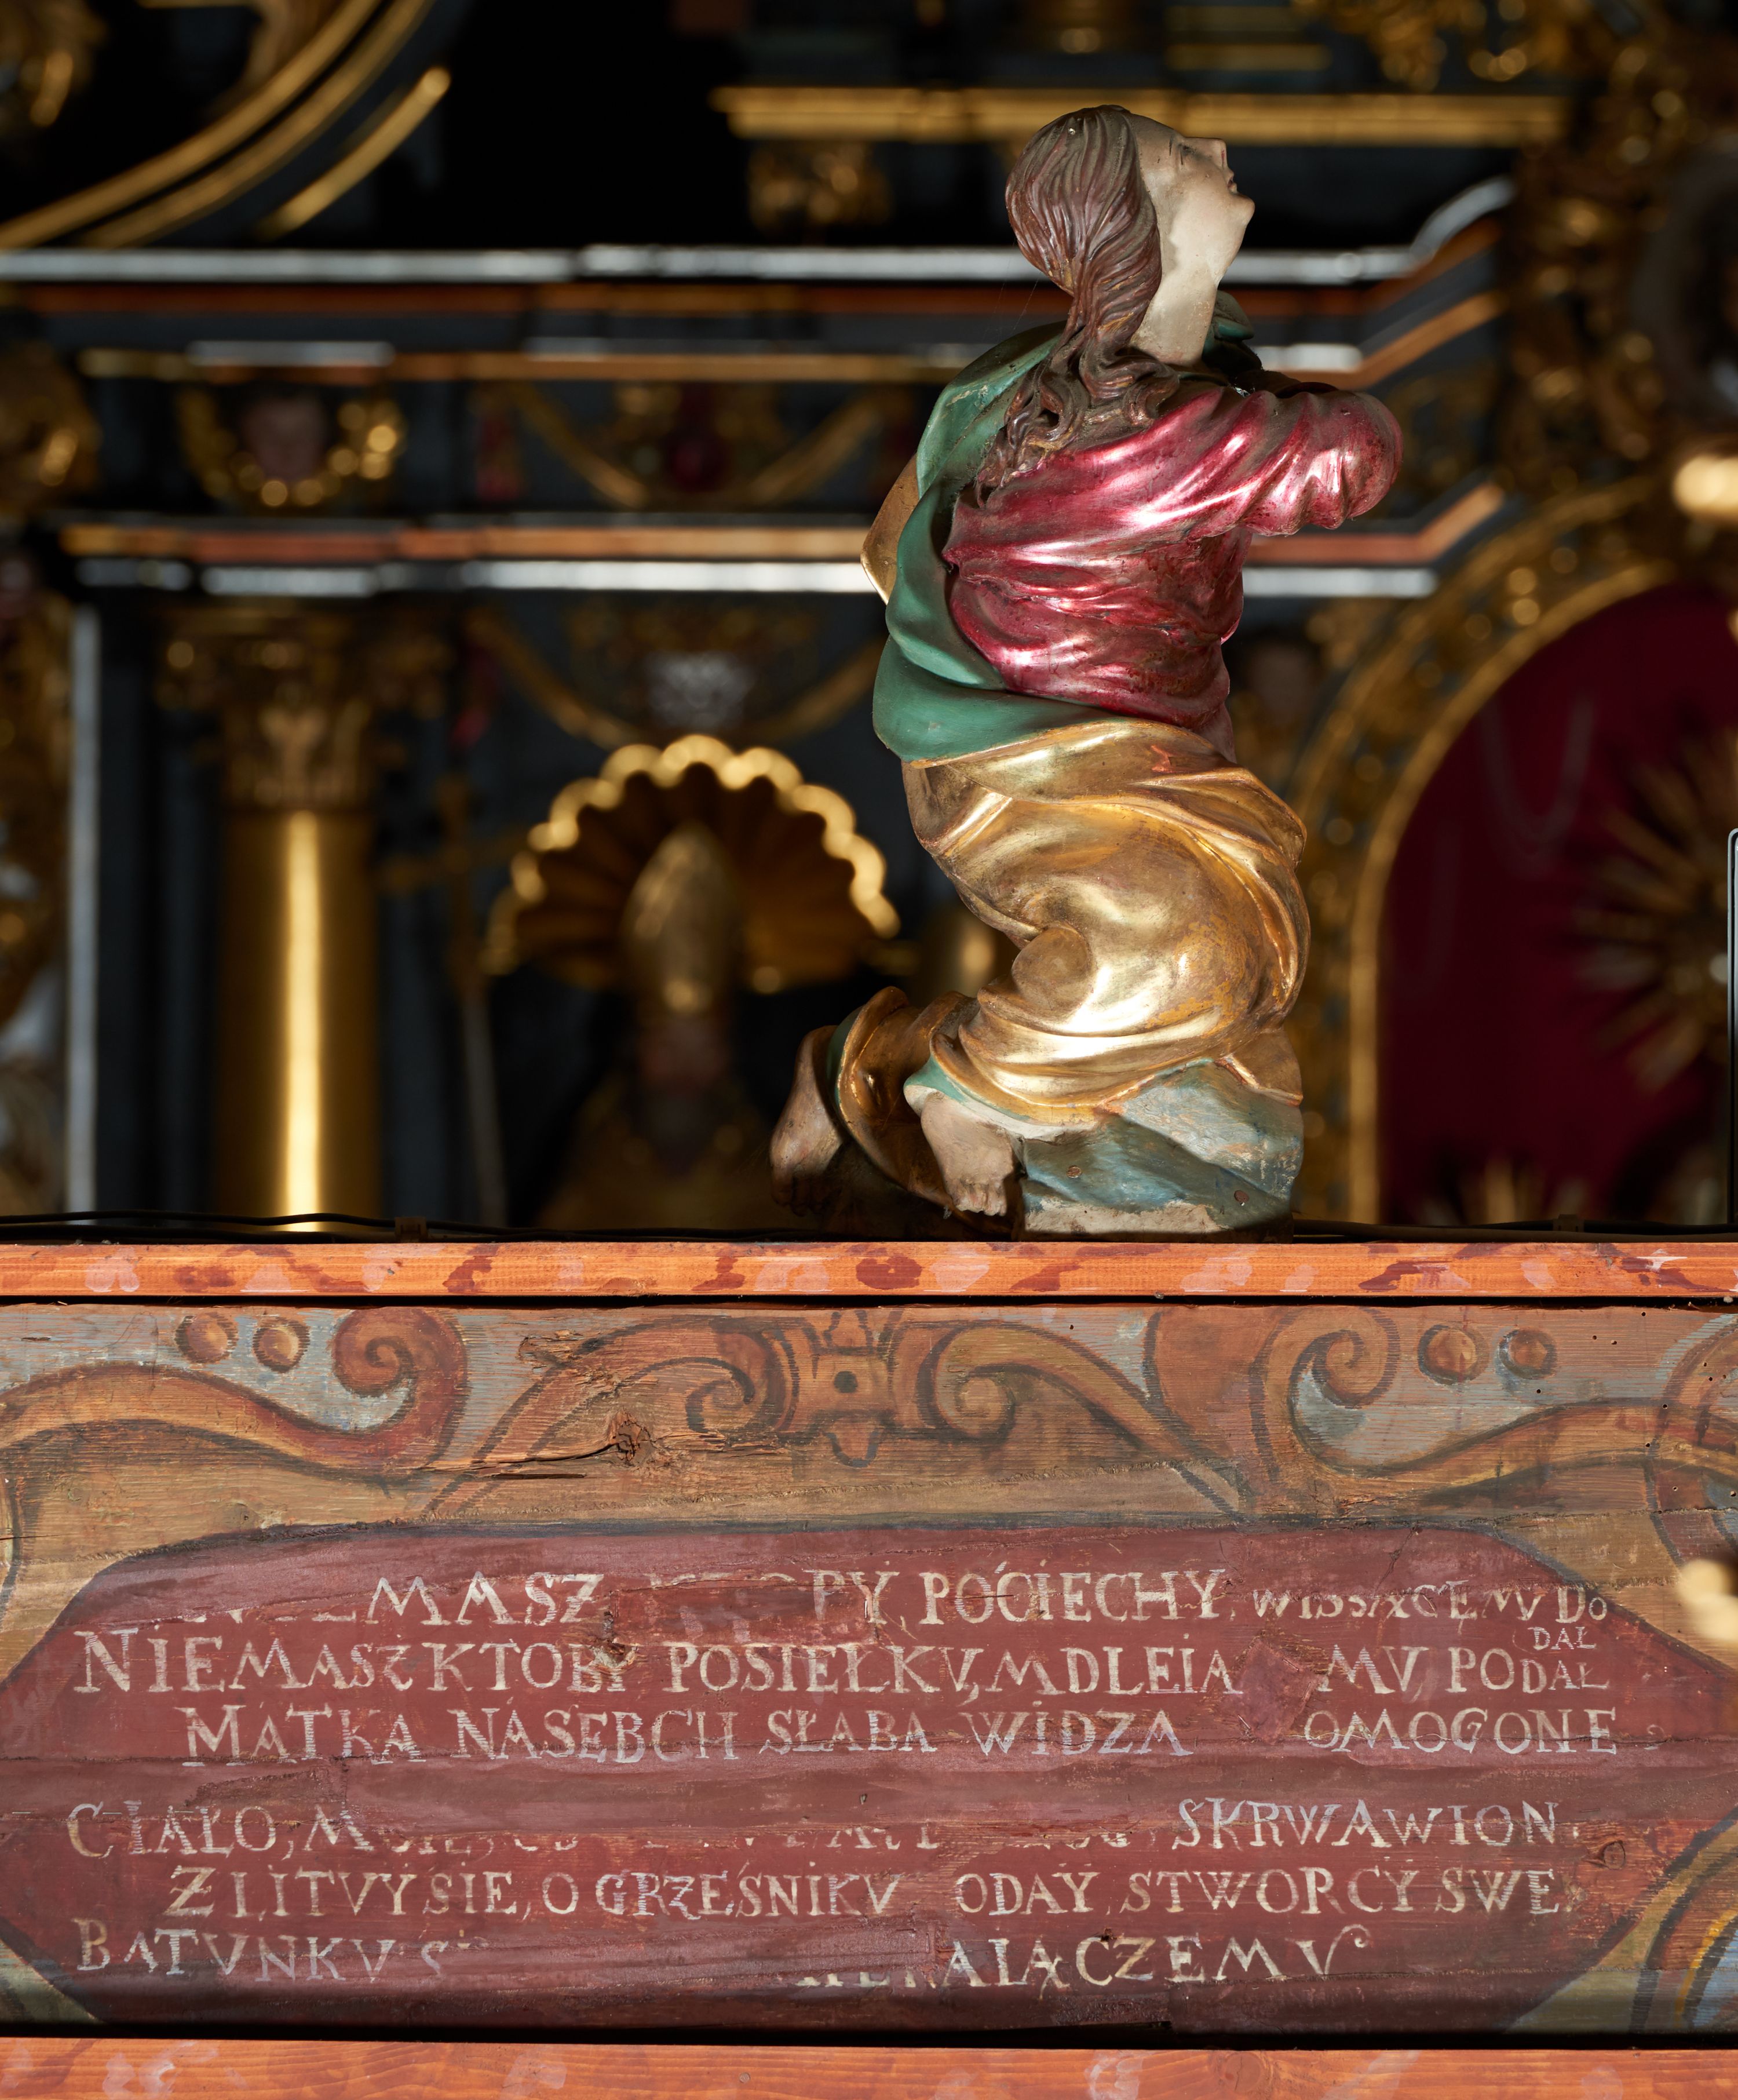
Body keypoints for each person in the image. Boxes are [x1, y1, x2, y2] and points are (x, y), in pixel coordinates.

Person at [777, 105, 1400, 1235]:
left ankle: (863, 1067)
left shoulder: (1049, 390)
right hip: (1039, 763)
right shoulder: (1142, 437)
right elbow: (1349, 460)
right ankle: (964, 1090)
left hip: (1131, 750)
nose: (1218, 154)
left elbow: (900, 530)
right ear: (1138, 223)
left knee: (1243, 969)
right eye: (1182, 158)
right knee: (1191, 954)